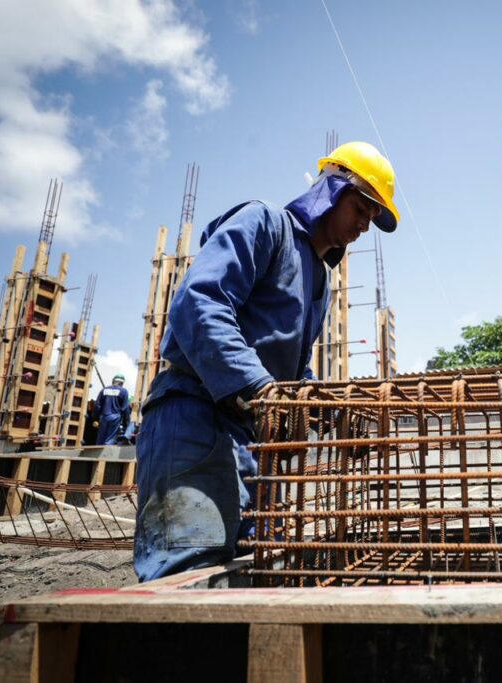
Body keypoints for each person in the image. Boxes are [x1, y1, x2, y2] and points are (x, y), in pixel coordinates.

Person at [133, 141, 399, 581]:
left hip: (250, 442)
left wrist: (334, 416)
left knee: (250, 572)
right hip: (194, 420)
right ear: (332, 191)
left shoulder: (319, 281)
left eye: (372, 219)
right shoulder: (264, 223)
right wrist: (258, 386)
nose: (364, 227)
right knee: (185, 574)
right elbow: (200, 303)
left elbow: (293, 375)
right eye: (361, 209)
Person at [93, 374, 131, 445]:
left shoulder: (104, 390)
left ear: (113, 381)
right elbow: (125, 409)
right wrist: (126, 424)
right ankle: (105, 454)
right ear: (122, 383)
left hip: (103, 418)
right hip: (115, 418)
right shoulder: (124, 391)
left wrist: (95, 418)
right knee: (109, 440)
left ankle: (96, 454)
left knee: (100, 438)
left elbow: (97, 406)